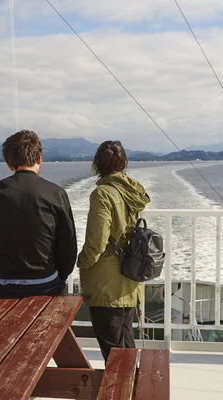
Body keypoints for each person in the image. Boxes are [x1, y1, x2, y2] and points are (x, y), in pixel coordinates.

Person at [0, 130, 77, 298]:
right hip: (46, 283)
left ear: (9, 164)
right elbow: (68, 247)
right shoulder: (56, 194)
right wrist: (59, 275)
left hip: (1, 285)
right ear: (39, 158)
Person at [77, 140, 151, 361]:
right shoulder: (132, 191)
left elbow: (96, 243)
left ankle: (120, 392)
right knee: (125, 344)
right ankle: (131, 390)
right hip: (129, 277)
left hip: (107, 284)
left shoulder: (102, 194)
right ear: (124, 163)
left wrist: (82, 262)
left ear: (97, 165)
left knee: (113, 351)